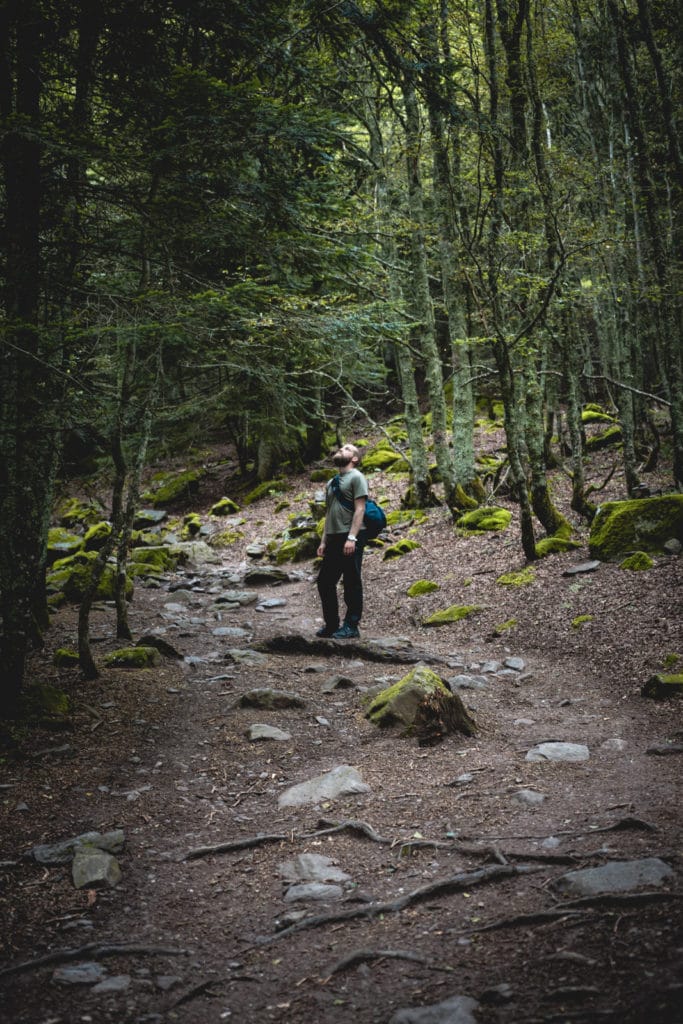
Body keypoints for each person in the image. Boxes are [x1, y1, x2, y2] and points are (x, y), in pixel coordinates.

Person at [316, 442, 368, 639]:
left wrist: (352, 537)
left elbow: (360, 508)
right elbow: (329, 513)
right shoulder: (331, 483)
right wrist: (323, 541)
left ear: (354, 459)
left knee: (351, 580)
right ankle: (331, 625)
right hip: (334, 537)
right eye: (340, 449)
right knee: (324, 581)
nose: (341, 450)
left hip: (352, 535)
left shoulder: (357, 477)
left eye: (346, 449)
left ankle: (351, 626)